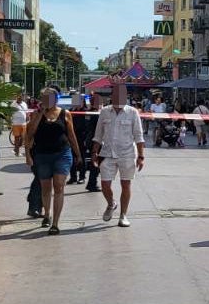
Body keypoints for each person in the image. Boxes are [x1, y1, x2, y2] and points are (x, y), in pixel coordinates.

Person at [24, 88, 82, 234]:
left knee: (59, 186)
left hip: (62, 154)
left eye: (49, 98)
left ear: (56, 99)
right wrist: (40, 115)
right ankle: (46, 214)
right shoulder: (36, 114)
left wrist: (78, 154)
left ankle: (55, 223)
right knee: (45, 188)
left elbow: (71, 135)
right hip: (42, 155)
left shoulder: (65, 114)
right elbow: (30, 134)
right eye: (43, 98)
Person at [91, 84, 145, 228]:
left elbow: (139, 136)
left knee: (125, 184)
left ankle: (123, 215)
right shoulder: (105, 112)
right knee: (105, 184)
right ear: (112, 96)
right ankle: (111, 204)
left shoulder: (133, 112)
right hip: (107, 153)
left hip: (127, 154)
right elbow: (98, 134)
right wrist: (94, 152)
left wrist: (141, 156)